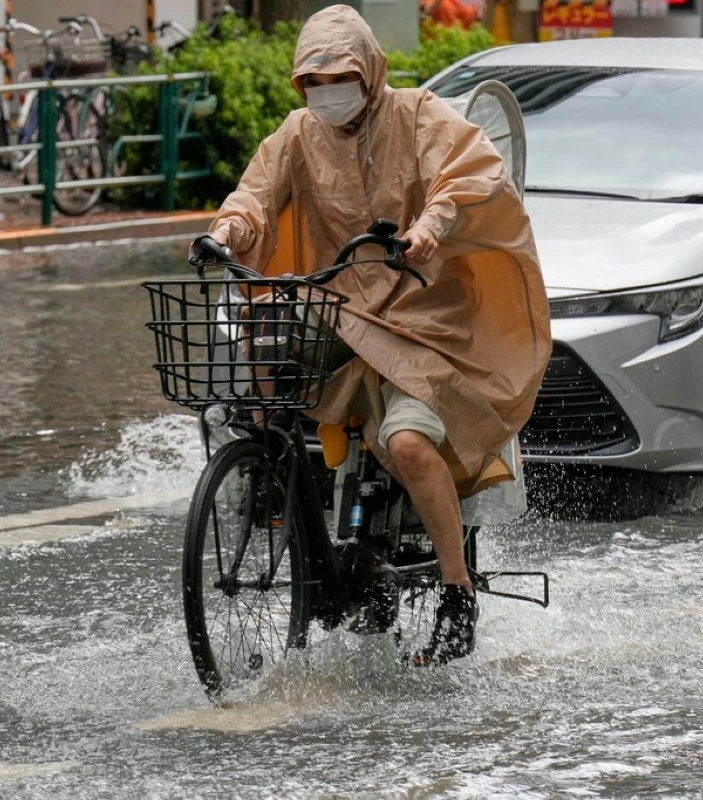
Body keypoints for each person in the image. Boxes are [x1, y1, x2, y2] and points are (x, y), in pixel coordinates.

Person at [197, 4, 551, 665]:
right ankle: (278, 493)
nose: (326, 91)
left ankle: (456, 592)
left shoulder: (420, 115)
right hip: (341, 306)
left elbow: (471, 173)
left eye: (341, 76)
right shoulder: (298, 134)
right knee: (262, 355)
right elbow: (253, 197)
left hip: (428, 316)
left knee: (410, 443)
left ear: (371, 71)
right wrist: (225, 233)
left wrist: (431, 227)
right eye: (313, 80)